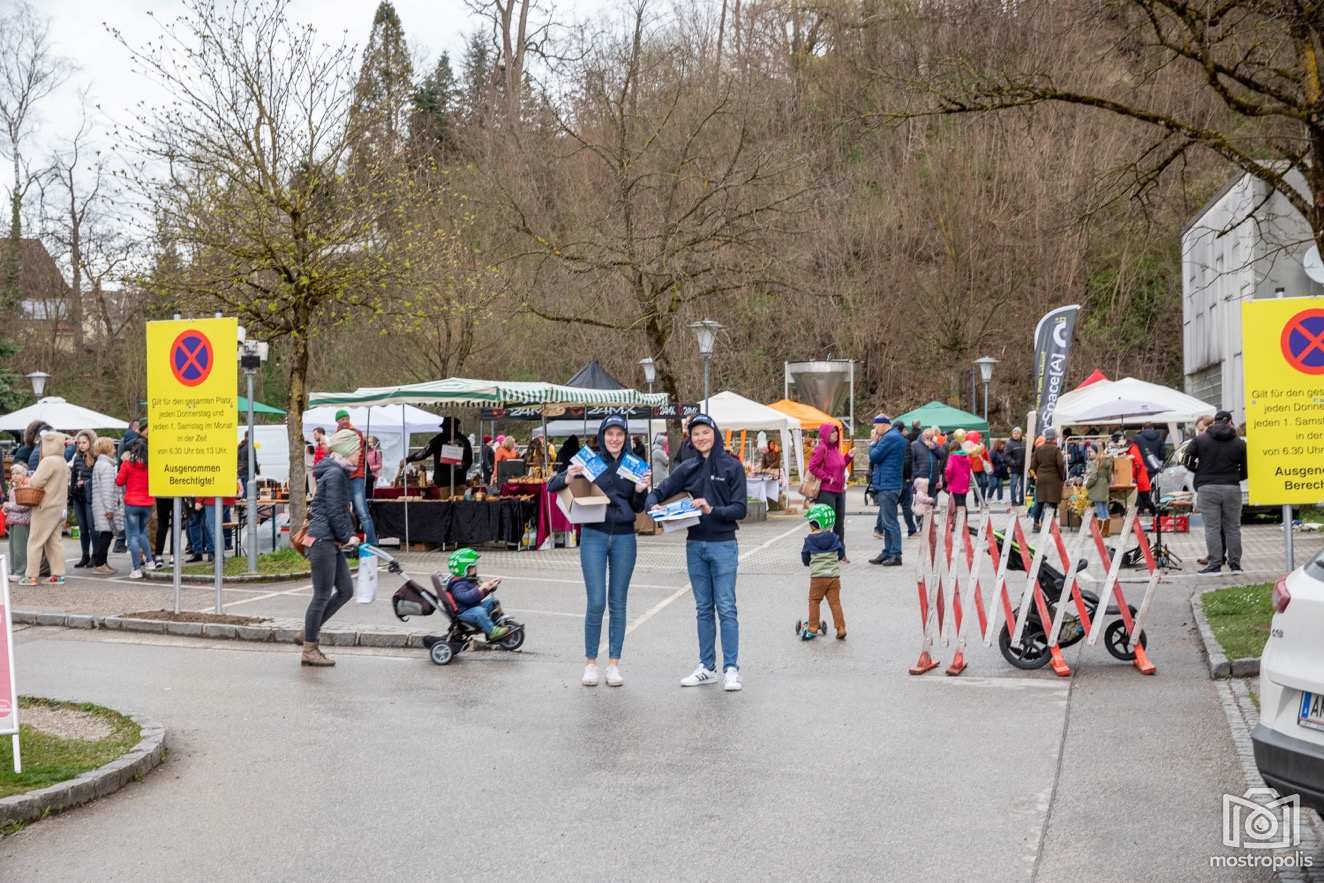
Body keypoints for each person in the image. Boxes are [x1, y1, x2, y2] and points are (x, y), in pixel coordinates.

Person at [645, 414, 748, 692]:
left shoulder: (732, 466)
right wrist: (653, 506)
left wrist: (712, 509)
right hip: (695, 545)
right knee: (703, 608)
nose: (701, 437)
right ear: (690, 438)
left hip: (724, 544)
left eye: (705, 432)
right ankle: (706, 667)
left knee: (726, 607)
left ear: (714, 433)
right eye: (696, 434)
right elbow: (660, 491)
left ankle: (731, 669)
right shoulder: (688, 467)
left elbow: (741, 509)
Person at [547, 415, 648, 687]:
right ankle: (590, 662)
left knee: (618, 602)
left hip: (625, 537)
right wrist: (568, 475)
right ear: (602, 435)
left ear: (626, 437)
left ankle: (614, 664)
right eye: (609, 434)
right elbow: (552, 486)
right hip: (594, 535)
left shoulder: (635, 464)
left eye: (619, 434)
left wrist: (640, 490)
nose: (614, 439)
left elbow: (639, 506)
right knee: (596, 601)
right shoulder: (589, 461)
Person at [300, 438, 361, 666]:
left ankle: (308, 630)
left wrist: (348, 533)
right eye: (356, 452)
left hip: (330, 540)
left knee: (345, 590)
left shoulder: (338, 472)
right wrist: (348, 537)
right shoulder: (335, 474)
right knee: (322, 595)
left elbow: (341, 511)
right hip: (324, 540)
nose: (359, 456)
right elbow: (336, 511)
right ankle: (309, 648)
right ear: (346, 451)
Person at [1184, 410, 1248, 573]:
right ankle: (1235, 565)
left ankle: (1215, 564)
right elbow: (1246, 467)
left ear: (1214, 422)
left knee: (1212, 528)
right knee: (1233, 527)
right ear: (1230, 423)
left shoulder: (1200, 439)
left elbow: (1186, 459)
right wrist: (1237, 477)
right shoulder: (1239, 443)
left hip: (1207, 487)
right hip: (1232, 488)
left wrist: (1198, 470)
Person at [21, 431, 70, 586]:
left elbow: (35, 483)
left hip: (46, 507)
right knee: (55, 542)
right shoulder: (62, 461)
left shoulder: (48, 461)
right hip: (60, 507)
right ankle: (58, 575)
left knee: (35, 541)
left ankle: (31, 576)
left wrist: (29, 479)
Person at [329, 410, 378, 550]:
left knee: (361, 510)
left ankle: (373, 543)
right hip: (342, 476)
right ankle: (348, 541)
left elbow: (354, 454)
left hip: (356, 475)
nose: (344, 420)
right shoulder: (336, 435)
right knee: (344, 511)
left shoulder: (355, 433)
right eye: (341, 419)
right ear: (337, 421)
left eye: (346, 418)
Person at [800, 503, 846, 641]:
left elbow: (805, 557)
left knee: (814, 601)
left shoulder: (809, 540)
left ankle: (813, 628)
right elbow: (841, 553)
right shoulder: (835, 538)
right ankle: (841, 628)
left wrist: (809, 563)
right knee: (835, 602)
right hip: (834, 577)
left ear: (814, 524)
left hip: (818, 578)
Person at [445, 548, 511, 642]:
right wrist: (480, 588)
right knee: (479, 611)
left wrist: (488, 588)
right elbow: (466, 598)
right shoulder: (458, 585)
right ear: (464, 569)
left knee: (493, 602)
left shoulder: (466, 580)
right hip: (464, 612)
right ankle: (492, 632)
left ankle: (497, 624)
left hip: (471, 607)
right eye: (472, 567)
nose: (475, 568)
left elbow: (476, 597)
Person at [867, 415, 908, 566]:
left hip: (888, 485)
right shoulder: (894, 436)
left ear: (883, 425)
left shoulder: (889, 438)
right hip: (889, 483)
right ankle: (888, 551)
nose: (875, 429)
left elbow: (874, 456)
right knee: (886, 521)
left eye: (876, 426)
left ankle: (896, 554)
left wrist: (873, 442)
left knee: (890, 522)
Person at [807, 422, 849, 561]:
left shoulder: (836, 449)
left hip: (839, 491)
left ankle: (840, 553)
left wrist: (849, 457)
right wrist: (827, 478)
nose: (836, 434)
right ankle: (824, 553)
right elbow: (812, 467)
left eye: (836, 431)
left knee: (839, 523)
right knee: (826, 524)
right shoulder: (822, 449)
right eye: (832, 432)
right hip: (826, 491)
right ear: (825, 434)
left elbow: (840, 466)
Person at [117, 439, 157, 579]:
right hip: (147, 503)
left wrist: (123, 463)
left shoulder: (127, 464)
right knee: (141, 533)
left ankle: (136, 569)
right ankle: (150, 561)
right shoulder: (151, 465)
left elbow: (119, 481)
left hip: (132, 503)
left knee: (133, 536)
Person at [90, 438, 121, 574]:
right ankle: (100, 563)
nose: (115, 450)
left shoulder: (100, 464)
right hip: (105, 507)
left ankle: (102, 562)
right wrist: (109, 509)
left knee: (105, 534)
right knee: (106, 535)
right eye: (113, 447)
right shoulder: (107, 467)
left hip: (99, 505)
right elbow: (107, 490)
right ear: (107, 449)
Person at [1029, 427, 1067, 532]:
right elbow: (1060, 464)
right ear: (1054, 438)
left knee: (1040, 502)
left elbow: (1032, 466)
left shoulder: (1038, 449)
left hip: (1041, 479)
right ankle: (1051, 526)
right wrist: (1062, 477)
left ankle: (1036, 525)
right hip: (1054, 479)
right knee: (1052, 503)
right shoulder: (1056, 450)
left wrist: (1036, 476)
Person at [69, 430, 97, 568]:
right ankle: (85, 555)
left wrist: (85, 483)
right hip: (78, 496)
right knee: (83, 528)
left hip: (90, 497)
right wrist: (73, 488)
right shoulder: (77, 457)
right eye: (79, 443)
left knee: (92, 528)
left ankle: (95, 556)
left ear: (90, 442)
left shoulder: (95, 457)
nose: (81, 445)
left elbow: (97, 478)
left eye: (84, 442)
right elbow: (74, 475)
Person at [4, 464, 32, 578]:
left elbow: (24, 506)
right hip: (12, 521)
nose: (14, 476)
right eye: (13, 474)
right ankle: (14, 570)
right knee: (13, 547)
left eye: (18, 473)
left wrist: (8, 505)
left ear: (24, 475)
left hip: (22, 521)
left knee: (20, 548)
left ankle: (21, 571)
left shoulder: (26, 488)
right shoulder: (13, 488)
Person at [1085, 447, 1112, 523]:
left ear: (1096, 452)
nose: (1089, 453)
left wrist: (1087, 485)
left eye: (1091, 451)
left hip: (1096, 487)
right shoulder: (1106, 462)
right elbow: (1109, 476)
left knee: (1099, 508)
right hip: (1104, 485)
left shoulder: (1094, 463)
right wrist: (1108, 483)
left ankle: (1102, 529)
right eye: (1088, 452)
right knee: (1104, 507)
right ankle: (1107, 529)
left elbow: (1093, 477)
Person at [1006, 428, 1027, 506]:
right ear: (1012, 434)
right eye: (1014, 433)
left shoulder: (1024, 442)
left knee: (1023, 484)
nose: (1016, 435)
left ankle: (1021, 500)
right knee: (1013, 484)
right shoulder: (1009, 443)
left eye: (1017, 433)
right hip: (1014, 468)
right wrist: (1013, 463)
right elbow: (1007, 456)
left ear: (1020, 434)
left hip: (1024, 467)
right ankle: (1013, 501)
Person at [364, 435, 383, 500]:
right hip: (363, 476)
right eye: (368, 442)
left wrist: (368, 468)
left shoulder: (376, 452)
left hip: (373, 477)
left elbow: (379, 465)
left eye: (371, 442)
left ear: (375, 443)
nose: (369, 444)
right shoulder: (363, 451)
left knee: (370, 494)